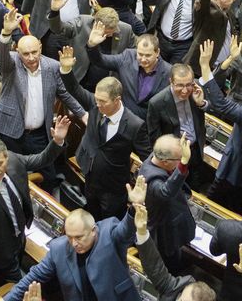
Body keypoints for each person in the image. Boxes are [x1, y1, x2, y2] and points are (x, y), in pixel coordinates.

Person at [3, 178, 148, 301]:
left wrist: (135, 208)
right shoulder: (58, 249)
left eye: (79, 237)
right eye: (69, 237)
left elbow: (126, 230)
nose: (74, 243)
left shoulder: (109, 233)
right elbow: (32, 278)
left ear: (93, 231)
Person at [0, 127, 68, 292]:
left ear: (6, 156)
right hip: (0, 250)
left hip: (20, 236)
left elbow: (40, 160)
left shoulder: (14, 159)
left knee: (5, 276)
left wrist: (57, 142)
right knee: (20, 287)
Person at [0, 11, 85, 188]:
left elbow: (64, 93)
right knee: (12, 173)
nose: (31, 58)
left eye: (34, 52)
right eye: (26, 54)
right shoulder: (11, 63)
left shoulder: (52, 66)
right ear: (17, 51)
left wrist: (82, 114)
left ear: (40, 47)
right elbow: (0, 57)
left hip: (39, 133)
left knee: (48, 174)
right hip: (10, 131)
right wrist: (6, 34)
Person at [59, 48, 152, 220]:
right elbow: (75, 88)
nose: (98, 105)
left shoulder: (135, 125)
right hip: (89, 175)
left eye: (103, 101)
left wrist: (143, 184)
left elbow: (148, 157)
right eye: (96, 100)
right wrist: (66, 70)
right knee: (91, 215)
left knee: (109, 223)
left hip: (114, 187)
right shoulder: (95, 107)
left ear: (117, 100)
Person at [48, 0, 135, 89]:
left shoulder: (126, 30)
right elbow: (58, 29)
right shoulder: (81, 23)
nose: (108, 35)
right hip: (83, 81)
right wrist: (54, 11)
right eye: (105, 33)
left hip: (111, 85)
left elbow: (132, 57)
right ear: (95, 23)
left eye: (112, 31)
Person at [137, 134, 195, 274]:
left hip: (171, 215)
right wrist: (184, 163)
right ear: (165, 162)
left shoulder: (157, 155)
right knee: (171, 258)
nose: (180, 161)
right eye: (178, 159)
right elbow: (166, 191)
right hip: (164, 230)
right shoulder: (153, 181)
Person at [86, 26, 171, 119]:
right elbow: (101, 61)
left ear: (157, 52)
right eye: (140, 54)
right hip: (123, 120)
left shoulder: (168, 71)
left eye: (148, 55)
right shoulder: (127, 57)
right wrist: (92, 45)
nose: (143, 59)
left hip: (148, 125)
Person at [145, 64, 206, 184]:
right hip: (175, 159)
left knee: (195, 187)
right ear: (171, 82)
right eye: (180, 85)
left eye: (188, 84)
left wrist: (201, 103)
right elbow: (154, 138)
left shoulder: (196, 90)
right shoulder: (157, 103)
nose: (185, 90)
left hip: (196, 151)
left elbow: (216, 108)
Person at [183, 0, 237, 72]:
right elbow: (202, 2)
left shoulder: (227, 11)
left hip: (223, 67)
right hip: (201, 68)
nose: (234, 0)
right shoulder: (207, 11)